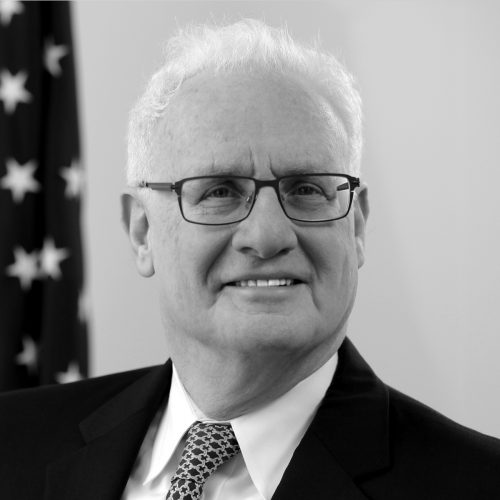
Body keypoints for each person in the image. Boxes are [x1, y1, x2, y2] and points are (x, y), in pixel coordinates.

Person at [1, 19, 499, 500]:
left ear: (357, 225)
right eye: (219, 191)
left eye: (307, 189)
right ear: (142, 231)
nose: (268, 236)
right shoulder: (12, 443)